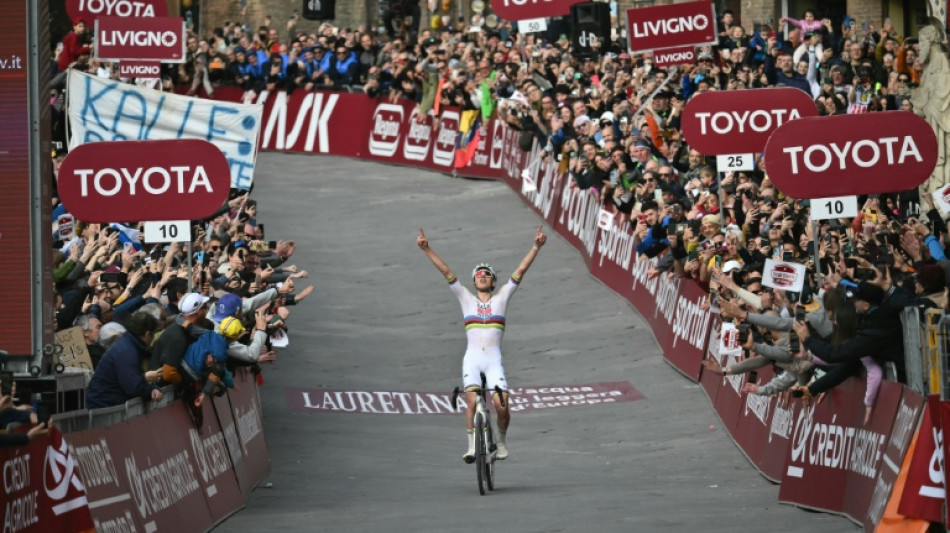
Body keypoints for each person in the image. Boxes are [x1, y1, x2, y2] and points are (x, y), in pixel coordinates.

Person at [417, 225, 547, 462]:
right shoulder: (465, 298)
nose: (483, 276)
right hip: (473, 359)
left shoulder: (502, 297)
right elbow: (446, 271)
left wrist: (536, 247)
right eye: (479, 274)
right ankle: (470, 446)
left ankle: (502, 440)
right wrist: (428, 249)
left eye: (487, 274)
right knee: (471, 400)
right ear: (474, 282)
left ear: (494, 281)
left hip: (493, 360)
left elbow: (521, 269)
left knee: (502, 405)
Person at [85, 311, 164, 409]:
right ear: (147, 334)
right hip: (104, 407)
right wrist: (151, 390)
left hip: (106, 402)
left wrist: (151, 388)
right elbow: (133, 386)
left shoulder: (129, 344)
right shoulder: (127, 350)